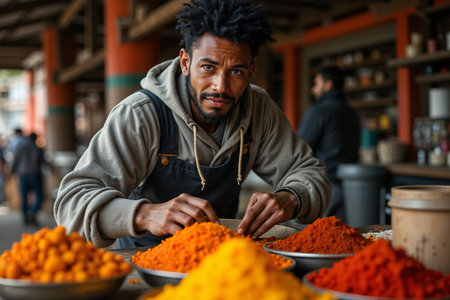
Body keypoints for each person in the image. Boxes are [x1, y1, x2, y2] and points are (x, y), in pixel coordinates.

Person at [54, 0, 331, 249]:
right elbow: (71, 204)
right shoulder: (141, 114)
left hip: (221, 259)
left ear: (251, 71)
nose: (220, 87)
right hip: (146, 262)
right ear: (185, 62)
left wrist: (290, 196)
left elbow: (310, 172)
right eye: (208, 68)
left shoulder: (258, 109)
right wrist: (145, 214)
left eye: (236, 71)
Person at [296, 66, 360, 222]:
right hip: (350, 187)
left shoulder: (319, 111)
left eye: (316, 84)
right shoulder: (352, 112)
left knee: (315, 240)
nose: (313, 89)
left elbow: (299, 149)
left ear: (328, 85)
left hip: (324, 187)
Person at [10, 133, 48, 226]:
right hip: (35, 175)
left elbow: (15, 160)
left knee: (24, 197)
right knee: (39, 196)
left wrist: (12, 172)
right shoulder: (37, 148)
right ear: (35, 139)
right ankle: (32, 212)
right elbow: (43, 161)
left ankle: (26, 218)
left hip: (23, 175)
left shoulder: (20, 147)